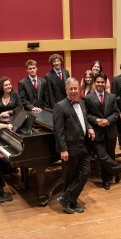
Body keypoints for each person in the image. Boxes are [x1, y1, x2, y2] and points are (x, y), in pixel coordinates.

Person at [53, 77, 95, 214]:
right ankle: (71, 202)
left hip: (83, 146)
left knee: (85, 173)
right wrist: (63, 150)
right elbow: (58, 131)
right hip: (70, 149)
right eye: (70, 88)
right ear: (66, 90)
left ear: (79, 89)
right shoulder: (60, 106)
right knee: (69, 177)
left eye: (75, 88)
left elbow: (83, 120)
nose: (73, 91)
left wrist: (89, 127)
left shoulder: (82, 103)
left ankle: (66, 198)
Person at [84, 72, 121, 190]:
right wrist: (97, 120)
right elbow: (86, 115)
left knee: (110, 155)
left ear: (105, 83)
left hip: (110, 131)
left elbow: (116, 113)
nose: (100, 84)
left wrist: (108, 120)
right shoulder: (88, 98)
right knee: (101, 156)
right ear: (94, 83)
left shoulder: (112, 97)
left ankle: (107, 180)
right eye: (98, 82)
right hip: (97, 132)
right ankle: (118, 169)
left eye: (102, 82)